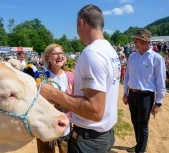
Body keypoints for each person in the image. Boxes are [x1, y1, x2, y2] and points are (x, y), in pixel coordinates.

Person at [39, 4, 120, 153]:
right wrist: (67, 105)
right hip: (103, 135)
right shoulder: (110, 51)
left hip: (89, 140)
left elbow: (95, 110)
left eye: (76, 27)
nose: (77, 33)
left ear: (81, 23)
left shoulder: (92, 53)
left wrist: (53, 94)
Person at [122, 29, 166, 153]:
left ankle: (140, 150)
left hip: (146, 96)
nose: (134, 42)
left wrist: (158, 102)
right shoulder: (132, 56)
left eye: (137, 39)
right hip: (132, 95)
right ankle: (139, 146)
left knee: (143, 125)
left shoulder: (156, 58)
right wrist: (125, 93)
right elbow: (127, 76)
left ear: (145, 41)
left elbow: (160, 81)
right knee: (135, 123)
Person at [36, 43, 74, 153]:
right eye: (55, 54)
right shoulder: (40, 74)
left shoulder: (70, 75)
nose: (59, 56)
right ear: (48, 57)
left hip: (64, 124)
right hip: (46, 125)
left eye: (61, 53)